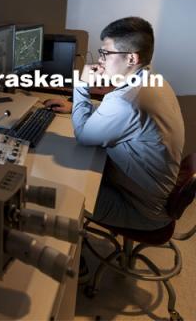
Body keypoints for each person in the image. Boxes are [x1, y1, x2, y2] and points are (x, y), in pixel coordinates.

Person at [44, 17, 185, 231]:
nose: (100, 60)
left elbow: (83, 136)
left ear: (130, 58)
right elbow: (124, 121)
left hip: (140, 210)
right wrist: (79, 108)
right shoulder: (155, 81)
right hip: (152, 193)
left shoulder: (126, 100)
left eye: (106, 54)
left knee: (60, 187)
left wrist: (82, 85)